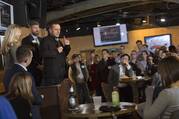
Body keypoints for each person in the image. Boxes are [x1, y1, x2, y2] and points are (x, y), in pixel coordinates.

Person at [3, 46, 42, 119]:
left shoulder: (7, 72)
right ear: (26, 60)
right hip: (28, 112)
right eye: (31, 57)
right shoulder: (26, 75)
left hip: (12, 111)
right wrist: (41, 98)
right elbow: (36, 99)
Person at [21, 21, 42, 86]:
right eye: (35, 28)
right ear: (30, 28)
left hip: (42, 69)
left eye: (38, 28)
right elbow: (27, 54)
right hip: (32, 68)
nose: (37, 29)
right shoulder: (25, 40)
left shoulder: (41, 39)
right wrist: (37, 65)